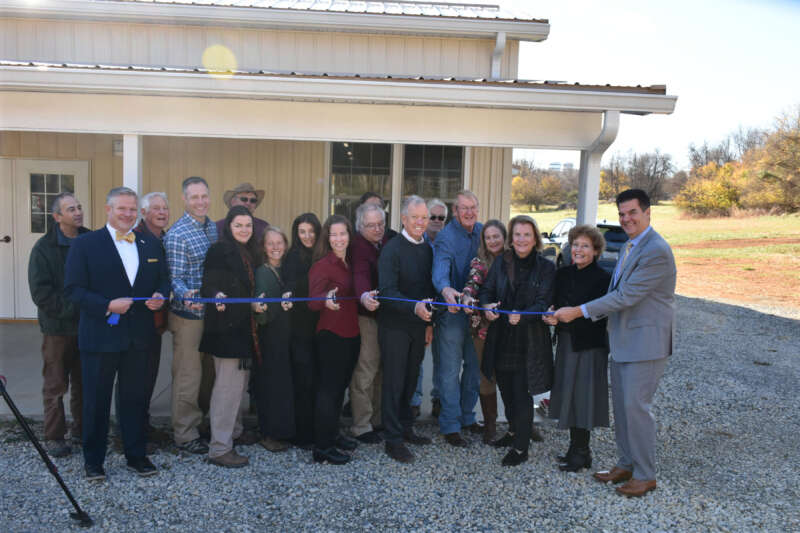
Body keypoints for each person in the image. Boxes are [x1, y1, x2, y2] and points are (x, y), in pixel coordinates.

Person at [554, 189, 676, 497]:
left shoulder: (656, 250)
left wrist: (578, 312)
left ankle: (646, 474)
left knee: (636, 409)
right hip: (623, 342)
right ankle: (625, 464)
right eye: (622, 214)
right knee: (623, 409)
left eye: (632, 212)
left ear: (648, 212)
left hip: (645, 344)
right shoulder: (630, 247)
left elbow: (625, 297)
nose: (626, 219)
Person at [64, 187, 168, 481]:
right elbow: (73, 289)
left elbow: (163, 279)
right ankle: (94, 460)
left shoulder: (150, 243)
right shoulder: (86, 244)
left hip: (139, 336)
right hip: (100, 335)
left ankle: (136, 455)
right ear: (108, 210)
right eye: (121, 209)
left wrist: (160, 295)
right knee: (96, 400)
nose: (127, 214)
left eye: (132, 210)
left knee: (134, 398)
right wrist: (107, 305)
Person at [479, 215, 555, 466]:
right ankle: (512, 432)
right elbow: (487, 290)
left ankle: (521, 447)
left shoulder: (546, 267)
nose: (521, 239)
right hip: (501, 336)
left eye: (527, 235)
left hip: (529, 340)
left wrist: (522, 317)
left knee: (522, 394)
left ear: (535, 239)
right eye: (518, 235)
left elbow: (543, 302)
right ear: (511, 238)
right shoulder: (503, 260)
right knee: (506, 389)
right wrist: (487, 306)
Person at [542, 225, 611, 472]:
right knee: (570, 396)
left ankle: (581, 451)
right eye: (576, 245)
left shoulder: (603, 280)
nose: (578, 250)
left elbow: (600, 314)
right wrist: (551, 315)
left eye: (585, 246)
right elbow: (556, 305)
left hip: (589, 346)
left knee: (584, 398)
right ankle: (576, 449)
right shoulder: (564, 274)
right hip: (566, 343)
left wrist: (571, 316)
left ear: (595, 251)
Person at [199, 206, 262, 468]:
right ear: (229, 227)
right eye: (239, 225)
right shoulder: (219, 250)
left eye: (248, 225)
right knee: (226, 391)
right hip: (226, 331)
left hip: (243, 330)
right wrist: (217, 296)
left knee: (236, 388)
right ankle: (220, 448)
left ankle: (234, 433)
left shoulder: (249, 252)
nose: (244, 230)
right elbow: (209, 283)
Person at [27, 192, 88, 458]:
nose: (77, 212)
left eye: (79, 207)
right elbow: (40, 292)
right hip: (57, 330)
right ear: (57, 216)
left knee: (84, 384)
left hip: (88, 327)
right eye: (70, 209)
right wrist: (72, 308)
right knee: (55, 385)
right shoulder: (44, 248)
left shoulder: (91, 239)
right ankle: (54, 436)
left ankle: (83, 431)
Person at [378, 195, 436, 463]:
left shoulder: (428, 248)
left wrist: (428, 323)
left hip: (417, 326)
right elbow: (387, 292)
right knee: (394, 383)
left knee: (411, 381)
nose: (421, 222)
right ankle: (392, 439)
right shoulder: (392, 249)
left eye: (424, 217)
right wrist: (414, 308)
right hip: (394, 327)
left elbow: (428, 289)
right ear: (403, 219)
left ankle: (405, 427)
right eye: (415, 217)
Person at [164, 176, 217, 454]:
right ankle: (184, 433)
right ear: (184, 200)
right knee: (188, 376)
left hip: (212, 315)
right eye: (194, 197)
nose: (200, 201)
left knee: (208, 375)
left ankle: (202, 425)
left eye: (204, 196)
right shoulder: (178, 234)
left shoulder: (212, 229)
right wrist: (187, 297)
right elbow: (175, 278)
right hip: (188, 316)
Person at [308, 215, 361, 465]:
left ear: (349, 236)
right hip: (331, 335)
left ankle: (334, 433)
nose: (339, 239)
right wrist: (326, 299)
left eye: (343, 233)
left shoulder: (351, 262)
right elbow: (311, 301)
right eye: (334, 234)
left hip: (352, 333)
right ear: (327, 238)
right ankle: (323, 447)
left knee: (340, 389)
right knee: (328, 392)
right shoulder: (322, 265)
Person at [432, 190, 483, 447]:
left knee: (474, 370)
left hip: (477, 316)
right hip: (452, 314)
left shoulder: (484, 232)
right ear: (455, 211)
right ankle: (450, 424)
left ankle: (467, 417)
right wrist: (446, 290)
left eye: (473, 207)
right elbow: (439, 271)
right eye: (464, 208)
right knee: (449, 372)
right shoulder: (446, 238)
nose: (469, 212)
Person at [460, 219, 506, 444]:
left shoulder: (512, 260)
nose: (493, 241)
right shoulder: (480, 262)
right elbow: (472, 284)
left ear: (504, 237)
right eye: (488, 237)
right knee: (486, 376)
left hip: (510, 327)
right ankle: (490, 425)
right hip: (482, 329)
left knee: (512, 376)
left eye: (496, 236)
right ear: (483, 241)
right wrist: (467, 297)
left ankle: (519, 424)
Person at [252, 226, 295, 452]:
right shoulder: (262, 272)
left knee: (285, 385)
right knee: (271, 385)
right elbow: (261, 312)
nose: (276, 247)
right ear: (264, 247)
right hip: (271, 336)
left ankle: (283, 430)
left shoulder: (288, 270)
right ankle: (268, 433)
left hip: (288, 335)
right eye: (271, 243)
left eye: (280, 243)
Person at [348, 202, 388, 443]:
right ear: (359, 226)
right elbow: (360, 275)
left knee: (380, 370)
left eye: (380, 224)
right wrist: (364, 296)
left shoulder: (382, 244)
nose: (377, 229)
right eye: (370, 225)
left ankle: (377, 420)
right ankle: (361, 425)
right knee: (366, 370)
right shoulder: (359, 248)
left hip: (383, 317)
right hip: (366, 317)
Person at [132, 192, 170, 446]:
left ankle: (142, 426)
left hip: (156, 321)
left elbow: (164, 278)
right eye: (155, 208)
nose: (162, 212)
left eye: (165, 208)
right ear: (143, 212)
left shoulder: (165, 238)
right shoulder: (134, 238)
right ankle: (130, 432)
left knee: (149, 376)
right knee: (134, 379)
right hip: (135, 321)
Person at [282, 213, 321, 449]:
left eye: (311, 231)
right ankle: (302, 433)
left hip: (321, 325)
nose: (307, 236)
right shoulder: (293, 257)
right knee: (303, 381)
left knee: (318, 381)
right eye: (302, 232)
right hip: (300, 329)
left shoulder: (323, 255)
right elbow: (289, 286)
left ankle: (319, 428)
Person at [410, 198, 448, 418]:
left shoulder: (446, 242)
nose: (435, 221)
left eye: (440, 217)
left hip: (442, 307)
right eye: (430, 217)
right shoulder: (417, 241)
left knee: (442, 358)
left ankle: (438, 400)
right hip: (419, 306)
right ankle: (414, 401)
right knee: (417, 357)